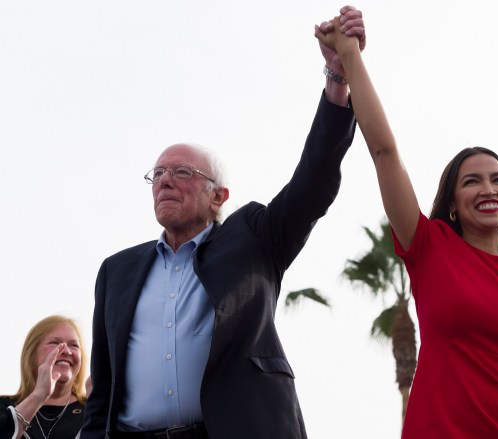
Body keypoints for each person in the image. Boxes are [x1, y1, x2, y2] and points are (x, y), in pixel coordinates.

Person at [81, 7, 366, 439]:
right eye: (157, 174)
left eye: (181, 173)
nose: (165, 182)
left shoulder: (255, 237)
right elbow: (102, 389)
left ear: (219, 195)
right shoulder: (116, 271)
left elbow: (313, 182)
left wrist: (338, 79)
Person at [315, 16, 498, 439]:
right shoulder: (429, 247)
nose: (488, 189)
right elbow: (384, 150)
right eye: (471, 181)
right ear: (452, 205)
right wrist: (350, 58)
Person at [1, 315, 89, 439]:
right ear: (31, 355)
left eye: (74, 345)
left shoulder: (91, 410)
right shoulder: (4, 407)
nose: (67, 351)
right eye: (55, 343)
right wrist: (39, 395)